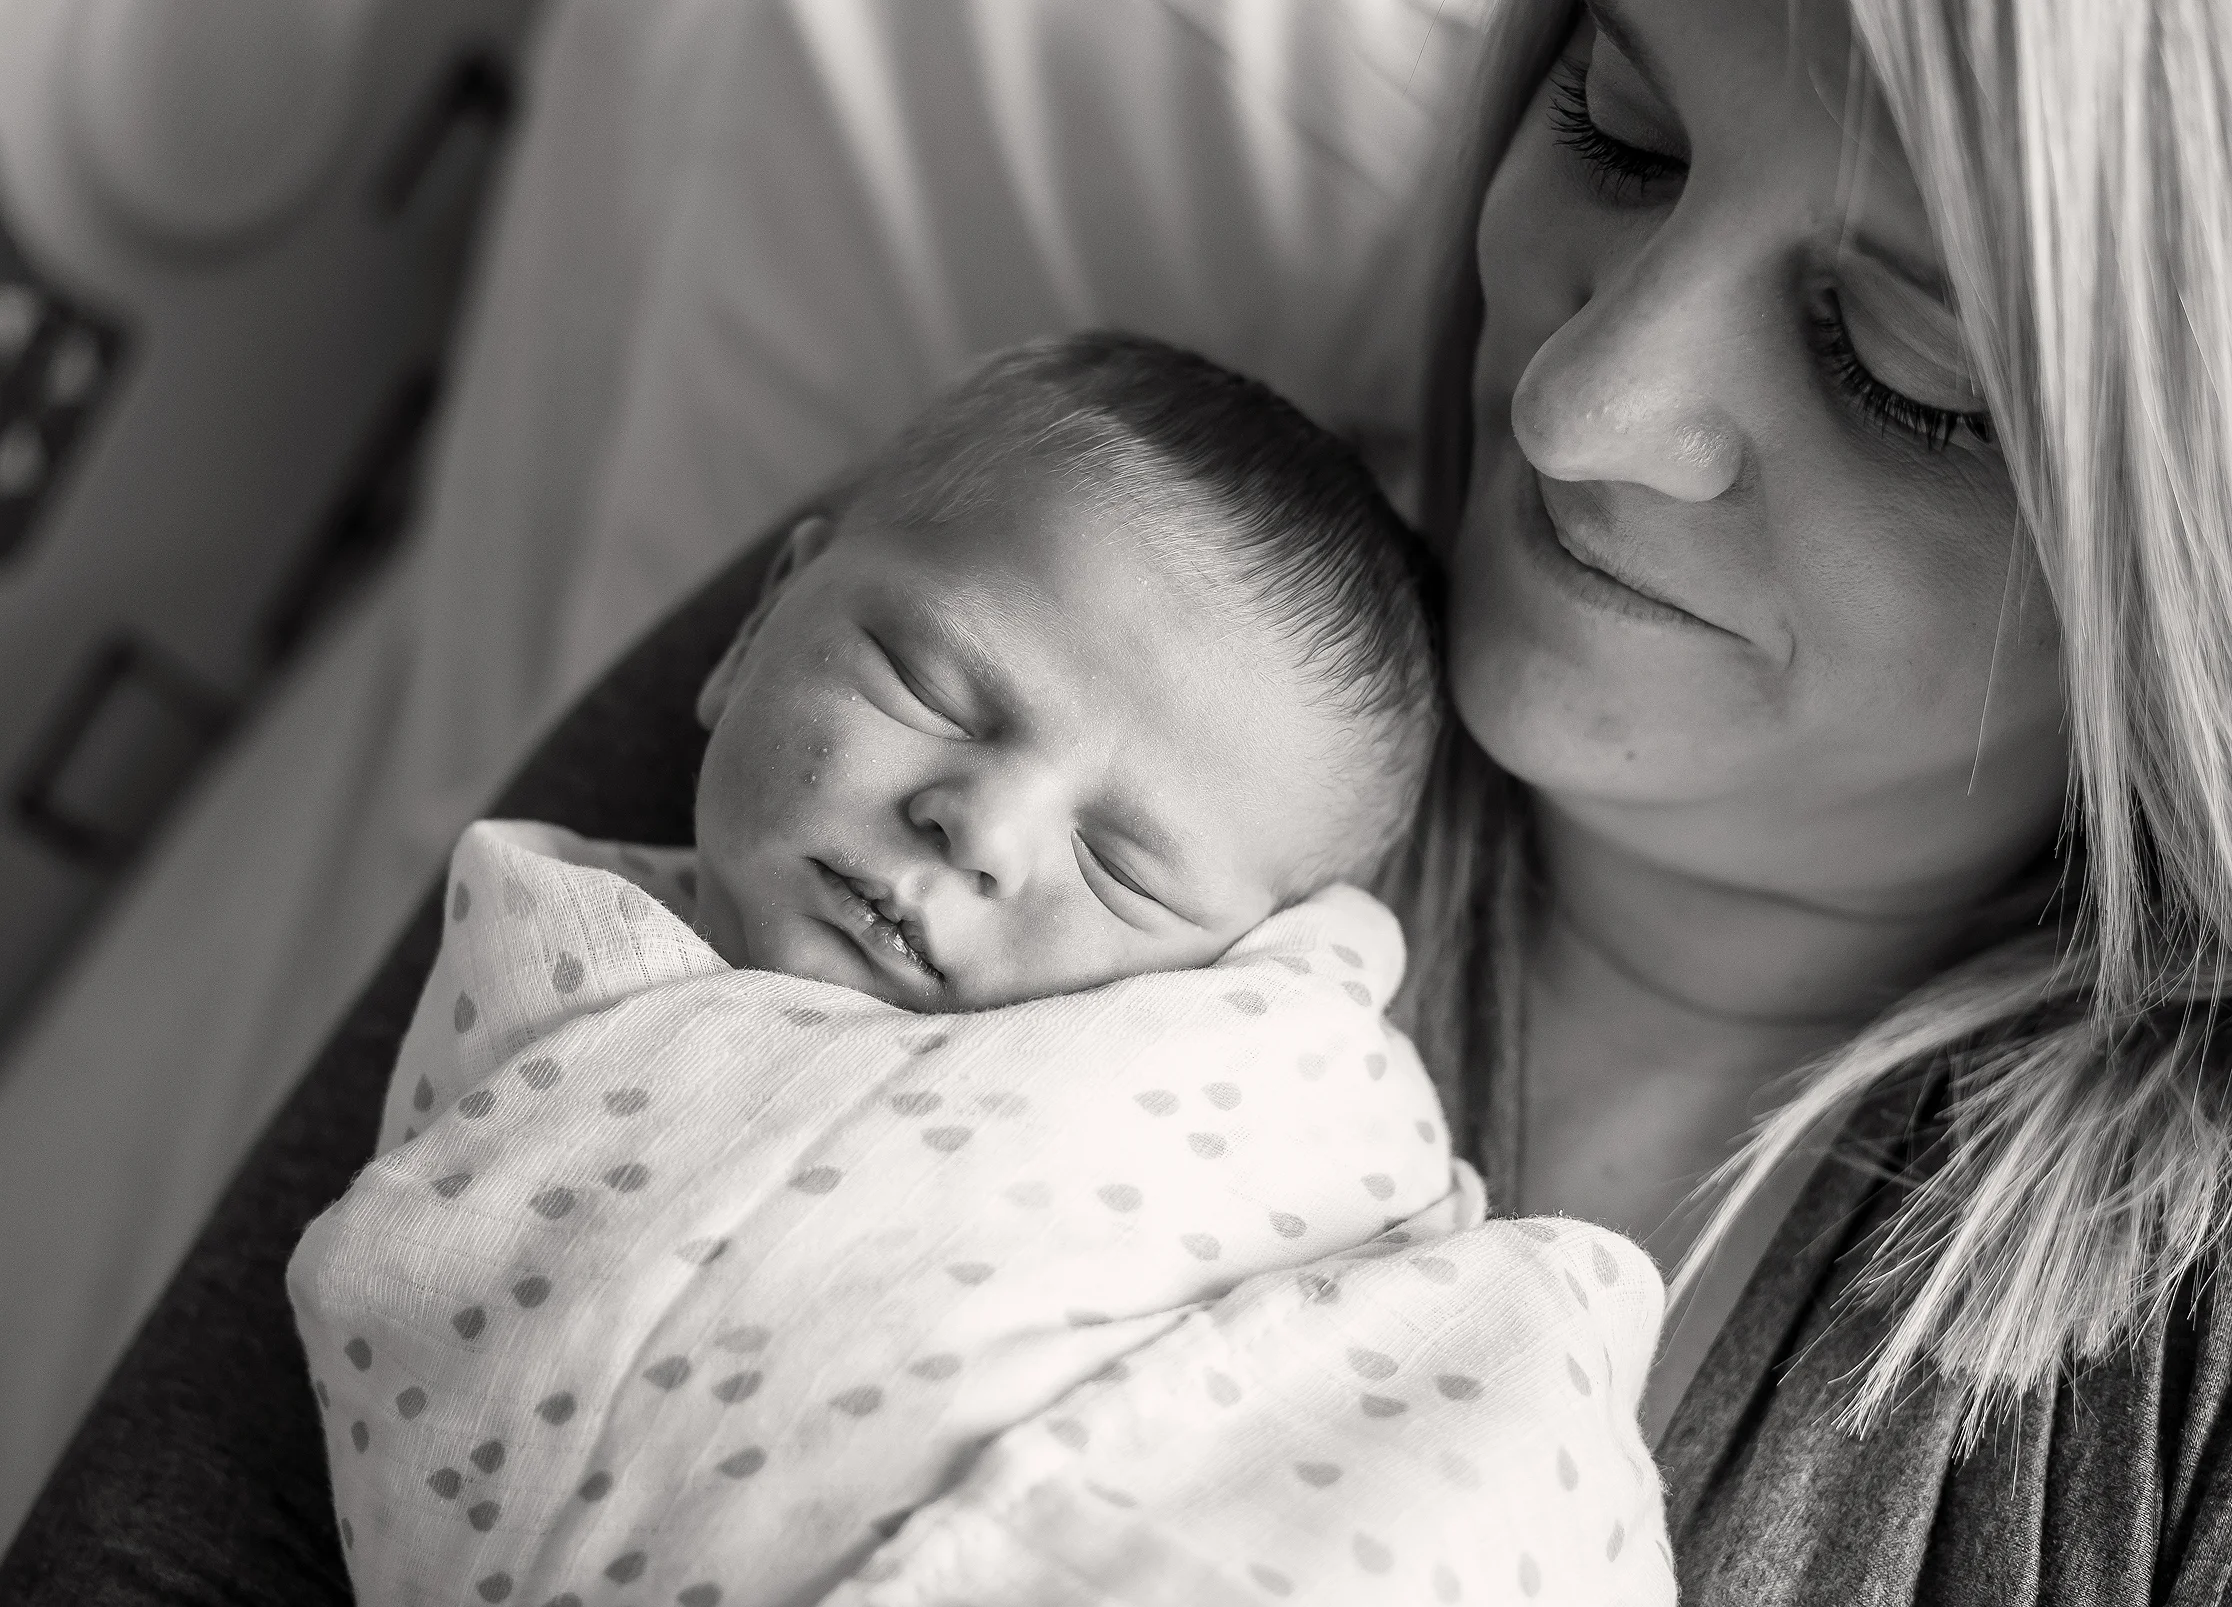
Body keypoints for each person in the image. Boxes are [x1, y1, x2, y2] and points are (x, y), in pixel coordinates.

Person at [0, 0, 2232, 1601]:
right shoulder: (1011, 619)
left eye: (1896, 371)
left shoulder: (2165, 1391)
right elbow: (207, 1519)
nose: (1576, 397)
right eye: (1616, 130)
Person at [289, 336, 1668, 1607]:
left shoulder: (1261, 1103)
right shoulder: (552, 973)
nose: (984, 830)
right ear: (757, 629)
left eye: (1125, 868)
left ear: (1259, 961)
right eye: (933, 686)